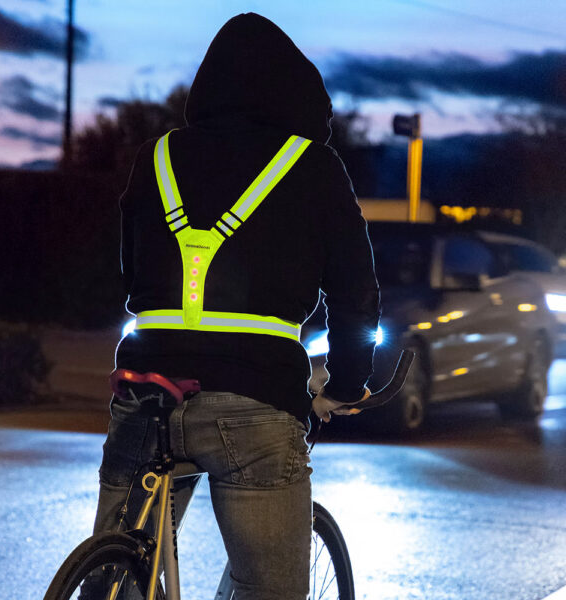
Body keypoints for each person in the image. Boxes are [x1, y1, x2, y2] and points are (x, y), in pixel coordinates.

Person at [92, 12, 380, 600]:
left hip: (145, 388)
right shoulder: (314, 168)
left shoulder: (156, 157)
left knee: (113, 585)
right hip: (254, 400)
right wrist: (348, 383)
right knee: (268, 588)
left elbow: (126, 274)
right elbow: (355, 296)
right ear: (300, 95)